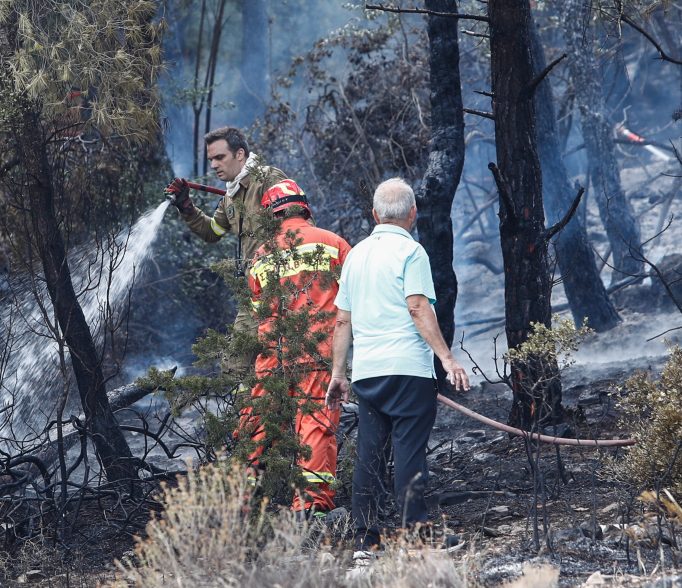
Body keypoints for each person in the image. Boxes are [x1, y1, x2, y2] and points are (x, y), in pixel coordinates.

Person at [324, 178, 470, 554]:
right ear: (413, 214)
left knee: (369, 455)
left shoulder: (356, 255)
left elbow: (342, 321)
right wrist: (447, 358)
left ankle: (365, 540)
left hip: (368, 373)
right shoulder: (412, 252)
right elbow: (417, 307)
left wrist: (338, 375)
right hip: (407, 371)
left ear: (375, 214)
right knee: (408, 453)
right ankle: (418, 537)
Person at [238, 179, 351, 517]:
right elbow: (353, 303)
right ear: (304, 208)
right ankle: (310, 508)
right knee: (315, 427)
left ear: (272, 215)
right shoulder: (334, 244)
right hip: (318, 355)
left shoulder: (261, 256)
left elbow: (259, 312)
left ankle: (243, 507)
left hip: (273, 356)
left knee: (259, 427)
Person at [164, 127, 311, 374]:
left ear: (240, 154)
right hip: (254, 292)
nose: (213, 165)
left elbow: (300, 227)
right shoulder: (230, 197)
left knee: (283, 360)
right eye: (211, 159)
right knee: (235, 365)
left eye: (219, 157)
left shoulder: (268, 178)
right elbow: (212, 231)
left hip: (284, 287)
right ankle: (249, 399)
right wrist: (186, 207)